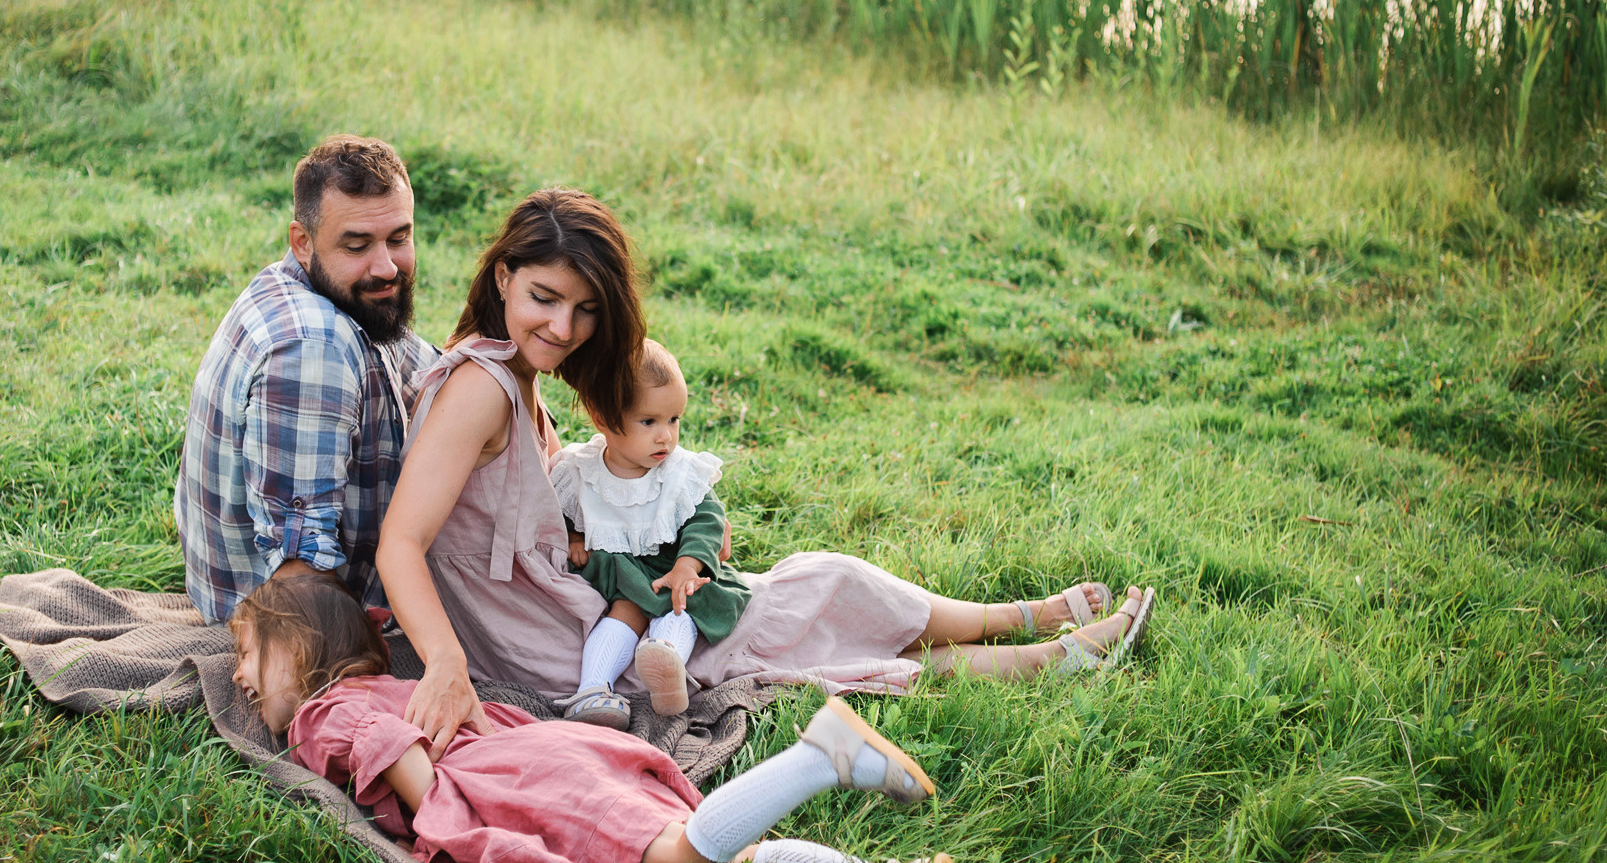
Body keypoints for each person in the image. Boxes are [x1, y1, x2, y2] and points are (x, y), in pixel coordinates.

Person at [375, 188, 1158, 756]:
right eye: (545, 297)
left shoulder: (514, 372)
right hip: (562, 642)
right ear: (504, 274)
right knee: (826, 585)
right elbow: (401, 541)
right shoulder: (480, 386)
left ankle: (1043, 635)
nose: (564, 326)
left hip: (584, 611)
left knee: (817, 614)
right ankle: (1038, 632)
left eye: (585, 311)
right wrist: (447, 665)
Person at [230, 571, 971, 863]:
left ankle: (820, 757)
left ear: (298, 647)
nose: (237, 677)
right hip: (552, 755)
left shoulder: (323, 713)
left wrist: (443, 818)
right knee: (716, 859)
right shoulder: (389, 683)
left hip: (514, 785)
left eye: (246, 654)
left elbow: (390, 746)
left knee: (680, 858)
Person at [176, 136, 437, 622]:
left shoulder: (322, 291)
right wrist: (344, 677)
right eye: (357, 245)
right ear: (303, 241)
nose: (385, 267)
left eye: (399, 238)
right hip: (275, 619)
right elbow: (299, 572)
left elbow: (426, 370)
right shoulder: (313, 348)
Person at [550, 338, 750, 727]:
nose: (666, 436)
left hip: (673, 564)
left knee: (684, 603)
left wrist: (688, 566)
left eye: (674, 419)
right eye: (650, 422)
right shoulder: (580, 469)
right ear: (603, 418)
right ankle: (592, 690)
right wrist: (574, 536)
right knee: (624, 613)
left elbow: (706, 517)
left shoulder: (679, 473)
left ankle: (667, 661)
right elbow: (567, 509)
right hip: (623, 573)